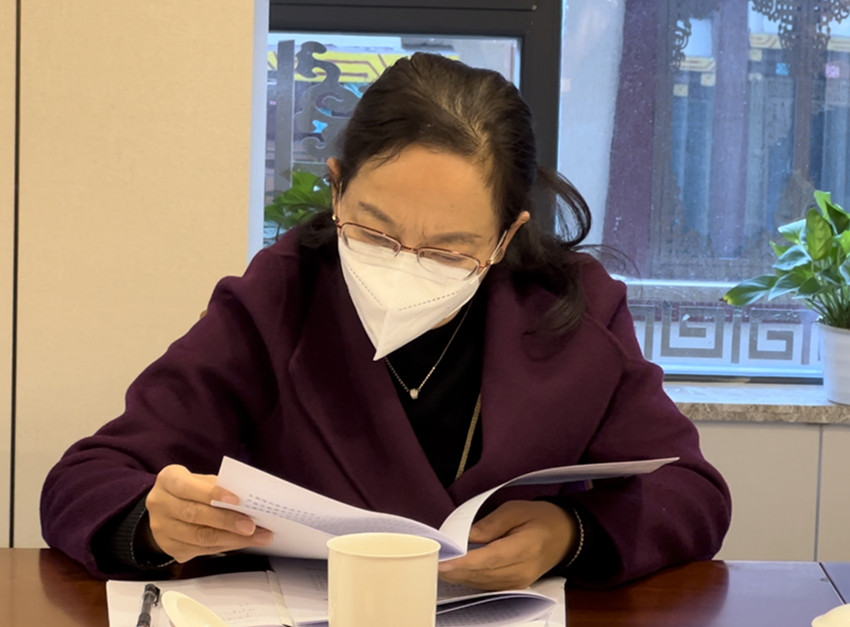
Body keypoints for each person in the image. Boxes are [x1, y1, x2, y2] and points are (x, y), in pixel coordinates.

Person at [40, 52, 731, 589]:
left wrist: (567, 533)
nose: (404, 265)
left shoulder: (573, 308)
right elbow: (84, 479)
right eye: (373, 231)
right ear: (337, 185)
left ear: (506, 234)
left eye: (449, 249)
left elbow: (693, 493)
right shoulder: (280, 296)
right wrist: (155, 522)